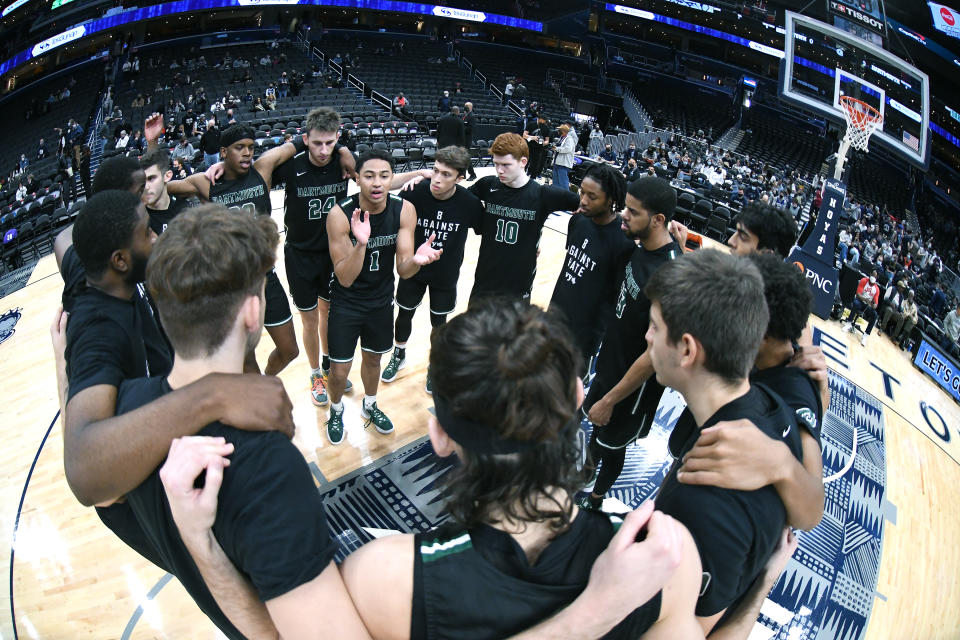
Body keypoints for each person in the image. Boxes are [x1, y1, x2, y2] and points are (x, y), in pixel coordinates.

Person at [107, 204, 366, 639]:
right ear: (252, 312)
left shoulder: (124, 418)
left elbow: (104, 501)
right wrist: (202, 545)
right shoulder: (267, 467)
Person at [645, 249, 802, 631]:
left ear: (686, 349)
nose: (647, 336)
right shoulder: (776, 408)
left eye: (654, 326)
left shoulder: (700, 505)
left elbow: (695, 632)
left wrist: (763, 586)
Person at [673, 253, 825, 532]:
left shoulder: (796, 392)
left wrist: (781, 463)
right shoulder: (756, 350)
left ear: (762, 331)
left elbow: (812, 510)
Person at [152, 116, 300, 375]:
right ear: (223, 152)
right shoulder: (206, 182)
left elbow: (300, 142)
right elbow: (157, 188)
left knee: (290, 350)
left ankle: (265, 380)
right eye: (239, 147)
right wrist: (152, 143)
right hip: (230, 285)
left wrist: (342, 153)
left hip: (266, 278)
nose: (247, 153)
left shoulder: (262, 169)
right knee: (245, 359)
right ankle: (255, 395)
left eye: (251, 147)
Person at [323, 149, 442, 444]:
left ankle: (370, 404)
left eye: (384, 176)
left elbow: (404, 270)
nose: (377, 183)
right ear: (357, 179)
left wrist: (417, 260)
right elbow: (345, 277)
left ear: (392, 179)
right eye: (369, 176)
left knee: (374, 361)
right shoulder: (339, 215)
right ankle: (335, 410)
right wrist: (361, 243)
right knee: (339, 370)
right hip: (346, 302)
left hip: (380, 301)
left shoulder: (404, 210)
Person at [580, 176, 681, 511]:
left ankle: (595, 501)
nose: (624, 215)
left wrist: (610, 399)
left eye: (633, 212)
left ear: (658, 220)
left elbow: (654, 356)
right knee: (596, 432)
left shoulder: (669, 277)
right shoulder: (643, 246)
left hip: (631, 391)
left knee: (612, 447)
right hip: (611, 364)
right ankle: (585, 471)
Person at [269, 107, 357, 405]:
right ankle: (315, 372)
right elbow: (259, 169)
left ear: (337, 139)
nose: (323, 150)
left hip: (333, 253)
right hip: (299, 255)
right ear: (305, 139)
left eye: (330, 143)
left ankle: (331, 363)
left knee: (329, 313)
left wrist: (344, 151)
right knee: (308, 319)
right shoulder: (291, 165)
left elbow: (376, 178)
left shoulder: (344, 160)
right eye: (317, 143)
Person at [380, 146, 484, 392]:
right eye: (435, 171)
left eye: (446, 174)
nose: (437, 179)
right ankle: (399, 354)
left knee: (439, 323)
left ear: (460, 178)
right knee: (404, 314)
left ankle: (434, 365)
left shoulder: (469, 203)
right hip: (413, 269)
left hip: (445, 275)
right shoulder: (414, 191)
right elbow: (383, 190)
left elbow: (488, 234)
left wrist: (532, 244)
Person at [550, 163, 635, 370]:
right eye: (582, 193)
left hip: (583, 337)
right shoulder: (578, 220)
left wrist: (594, 342)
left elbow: (614, 299)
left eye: (592, 196)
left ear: (611, 200)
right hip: (553, 318)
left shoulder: (623, 243)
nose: (584, 201)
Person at [140, 148, 192, 235]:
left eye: (151, 178)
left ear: (167, 176)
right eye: (142, 181)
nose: (146, 187)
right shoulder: (139, 218)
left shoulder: (184, 210)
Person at [842, 270, 880, 347]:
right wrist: (865, 299)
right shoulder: (863, 281)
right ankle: (849, 323)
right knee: (856, 303)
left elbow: (876, 304)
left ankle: (865, 335)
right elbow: (858, 294)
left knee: (875, 315)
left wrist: (873, 305)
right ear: (870, 275)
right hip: (860, 301)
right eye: (872, 275)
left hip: (867, 306)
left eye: (875, 277)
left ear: (877, 278)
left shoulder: (876, 289)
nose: (873, 277)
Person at [552, 124, 576, 190]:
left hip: (563, 164)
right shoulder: (562, 138)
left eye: (559, 130)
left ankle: (566, 197)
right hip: (557, 162)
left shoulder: (569, 139)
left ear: (563, 131)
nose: (558, 131)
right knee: (555, 182)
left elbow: (568, 149)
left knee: (563, 182)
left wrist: (557, 149)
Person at [462, 102, 478, 180]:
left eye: (467, 106)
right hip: (462, 139)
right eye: (465, 106)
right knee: (463, 157)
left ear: (471, 107)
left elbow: (470, 129)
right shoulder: (465, 115)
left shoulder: (472, 116)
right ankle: (463, 174)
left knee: (466, 156)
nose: (465, 107)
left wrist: (461, 129)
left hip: (467, 139)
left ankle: (472, 174)